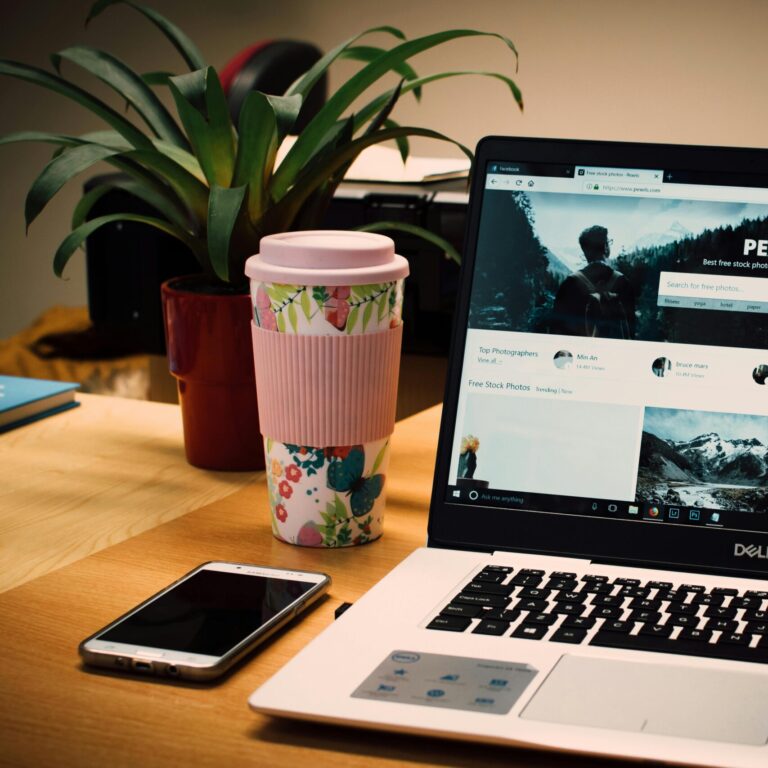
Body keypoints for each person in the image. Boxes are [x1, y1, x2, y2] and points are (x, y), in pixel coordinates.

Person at [552, 225, 636, 339]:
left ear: (585, 252)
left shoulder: (570, 284)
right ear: (606, 247)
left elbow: (558, 329)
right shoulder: (622, 282)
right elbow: (631, 328)